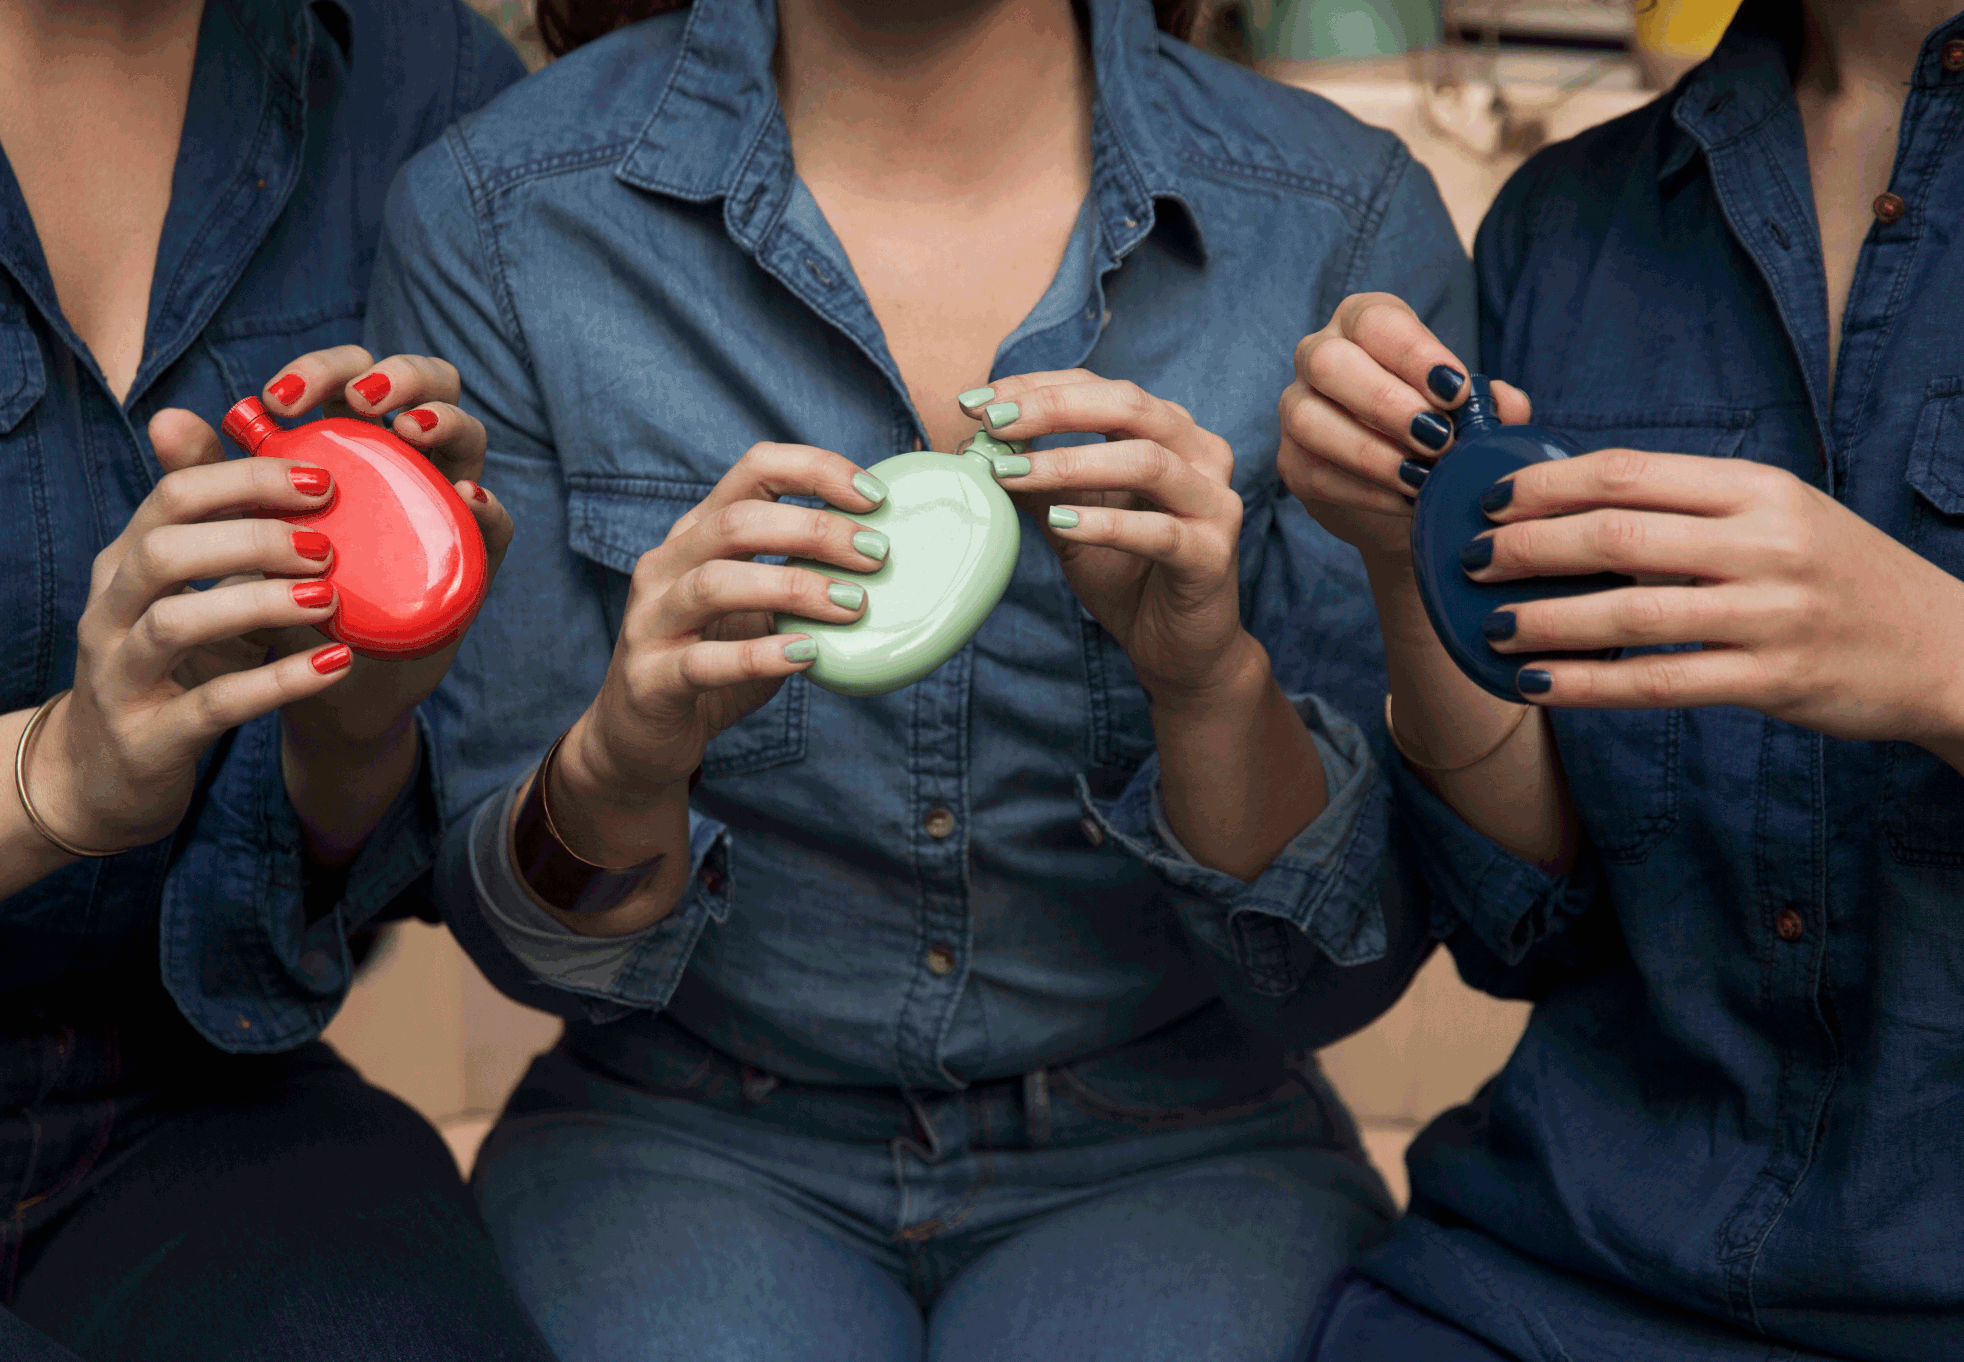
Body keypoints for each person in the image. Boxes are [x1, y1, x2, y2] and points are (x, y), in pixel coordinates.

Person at [366, 0, 1474, 1357]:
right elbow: (515, 935)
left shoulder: (1344, 222)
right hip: (677, 1129)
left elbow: (1341, 967)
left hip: (1189, 1138)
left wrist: (1208, 688)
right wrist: (618, 761)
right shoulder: (499, 210)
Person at [1278, 1, 1964, 1358]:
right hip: (1560, 1271)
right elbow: (1527, 919)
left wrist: (1937, 660)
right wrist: (1405, 560)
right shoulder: (1568, 220)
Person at [0, 1, 555, 1359]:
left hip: (193, 1098)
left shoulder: (427, 90)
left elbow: (374, 865)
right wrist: (60, 779)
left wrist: (358, 716)